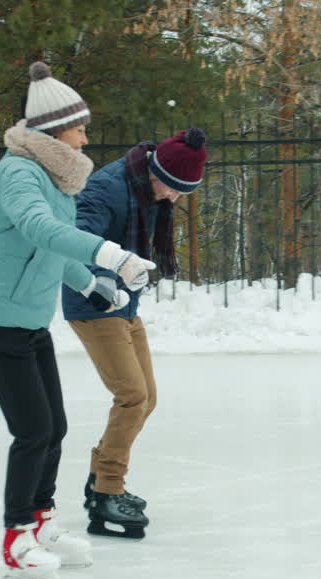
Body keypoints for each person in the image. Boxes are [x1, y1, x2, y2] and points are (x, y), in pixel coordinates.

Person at [0, 61, 155, 579]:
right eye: (79, 127)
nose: (85, 136)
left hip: (28, 318)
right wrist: (112, 256)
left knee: (55, 427)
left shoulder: (55, 176)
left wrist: (90, 281)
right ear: (53, 131)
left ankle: (42, 522)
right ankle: (17, 536)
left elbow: (53, 248)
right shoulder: (19, 171)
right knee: (32, 431)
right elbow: (37, 227)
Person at [61, 128, 208, 540]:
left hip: (125, 303)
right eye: (174, 189)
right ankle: (108, 491)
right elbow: (78, 239)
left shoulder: (150, 189)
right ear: (156, 172)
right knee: (132, 396)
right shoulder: (106, 188)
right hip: (92, 302)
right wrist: (100, 281)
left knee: (148, 398)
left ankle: (98, 480)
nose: (175, 199)